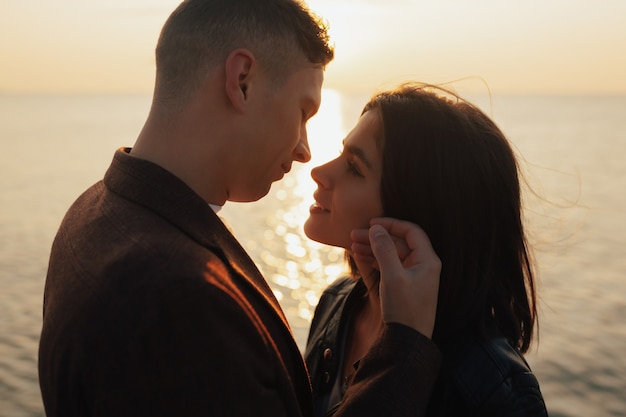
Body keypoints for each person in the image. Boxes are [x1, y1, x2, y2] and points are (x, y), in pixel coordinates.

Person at [38, 1, 442, 416]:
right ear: (242, 80)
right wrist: (404, 349)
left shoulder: (93, 209)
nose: (305, 151)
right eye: (303, 112)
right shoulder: (178, 299)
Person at [304, 83, 549, 416]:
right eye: (341, 153)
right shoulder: (337, 303)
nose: (318, 172)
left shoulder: (494, 391)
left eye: (354, 168)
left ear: (416, 210)